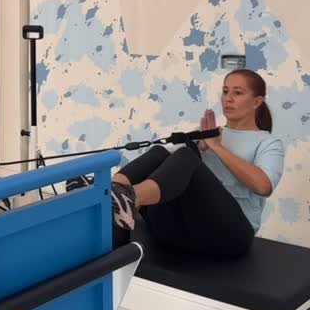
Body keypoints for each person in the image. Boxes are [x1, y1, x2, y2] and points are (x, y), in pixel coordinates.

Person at [110, 70, 285, 259]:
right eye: (225, 91)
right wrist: (199, 146)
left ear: (256, 102)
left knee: (185, 155)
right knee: (162, 152)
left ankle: (131, 198)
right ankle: (113, 192)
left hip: (230, 237)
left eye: (238, 93)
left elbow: (263, 186)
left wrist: (216, 147)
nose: (228, 98)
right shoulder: (208, 133)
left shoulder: (268, 143)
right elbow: (163, 162)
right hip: (177, 230)